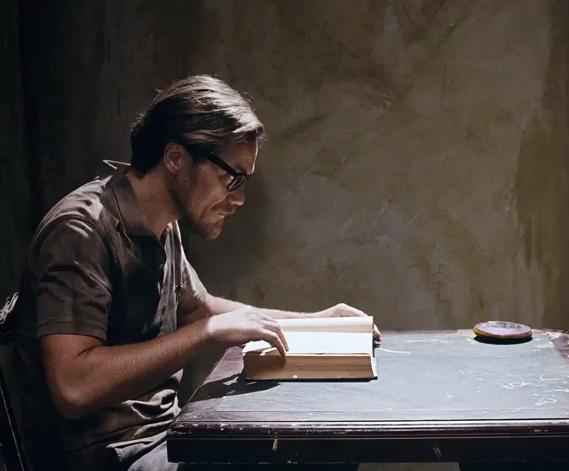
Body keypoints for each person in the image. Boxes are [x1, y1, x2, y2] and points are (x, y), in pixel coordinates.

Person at [10, 75, 378, 471]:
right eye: (232, 178)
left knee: (325, 446)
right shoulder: (80, 231)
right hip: (104, 458)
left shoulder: (161, 224)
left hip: (164, 439)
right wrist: (207, 333)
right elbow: (74, 387)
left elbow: (201, 310)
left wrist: (315, 322)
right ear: (175, 158)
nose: (239, 198)